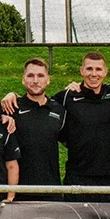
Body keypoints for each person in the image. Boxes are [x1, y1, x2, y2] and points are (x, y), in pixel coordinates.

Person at [6, 58, 66, 201]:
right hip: (18, 191)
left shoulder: (59, 109)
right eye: (30, 76)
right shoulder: (11, 108)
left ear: (48, 80)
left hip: (51, 189)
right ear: (23, 80)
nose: (35, 80)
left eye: (40, 76)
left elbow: (71, 141)